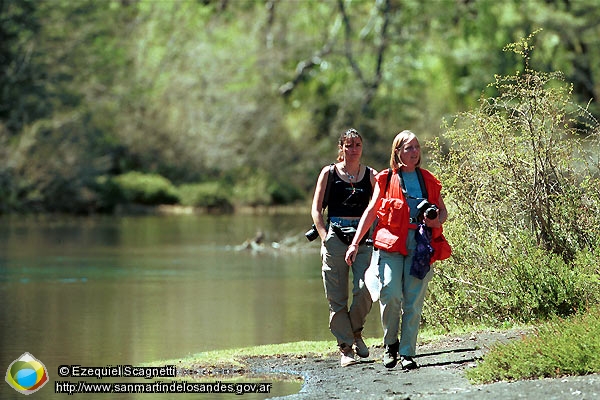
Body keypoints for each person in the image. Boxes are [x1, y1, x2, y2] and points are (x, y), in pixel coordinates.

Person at [344, 130, 449, 370]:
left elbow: (442, 212)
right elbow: (371, 212)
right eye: (408, 148)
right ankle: (391, 344)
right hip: (391, 244)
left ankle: (407, 353)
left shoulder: (429, 180)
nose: (414, 152)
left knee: (413, 301)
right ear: (397, 152)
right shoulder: (386, 178)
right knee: (390, 294)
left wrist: (436, 221)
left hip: (420, 245)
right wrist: (355, 243)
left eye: (417, 148)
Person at [311, 128, 378, 367]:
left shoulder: (371, 175)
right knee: (336, 297)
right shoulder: (328, 173)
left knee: (366, 289)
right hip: (335, 237)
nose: (353, 149)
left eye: (357, 145)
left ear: (362, 148)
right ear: (341, 148)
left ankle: (356, 331)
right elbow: (316, 210)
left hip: (363, 239)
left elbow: (379, 208)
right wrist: (324, 237)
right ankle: (346, 348)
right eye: (348, 145)